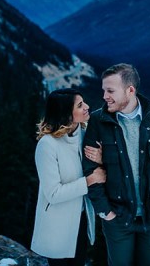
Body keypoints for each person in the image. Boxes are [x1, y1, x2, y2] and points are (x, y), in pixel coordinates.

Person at [83, 63, 150, 266]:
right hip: (116, 218)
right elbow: (90, 169)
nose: (104, 96)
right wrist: (105, 211)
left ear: (130, 90)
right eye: (103, 90)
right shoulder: (97, 121)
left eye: (110, 91)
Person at [31, 88, 106, 266]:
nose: (87, 107)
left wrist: (101, 159)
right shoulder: (47, 145)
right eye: (80, 105)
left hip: (79, 220)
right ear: (66, 114)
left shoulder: (83, 134)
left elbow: (97, 168)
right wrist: (90, 181)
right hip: (57, 225)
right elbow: (53, 194)